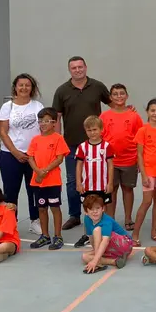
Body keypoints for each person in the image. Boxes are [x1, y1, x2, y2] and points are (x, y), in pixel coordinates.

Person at [52, 56, 111, 232]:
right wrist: (57, 139)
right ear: (69, 70)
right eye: (73, 68)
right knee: (73, 180)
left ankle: (97, 212)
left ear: (86, 67)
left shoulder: (98, 86)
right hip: (72, 144)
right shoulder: (62, 90)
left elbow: (113, 104)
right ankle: (74, 215)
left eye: (80, 67)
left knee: (97, 180)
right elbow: (57, 117)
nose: (77, 70)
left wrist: (127, 109)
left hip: (96, 144)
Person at [0, 73, 44, 235]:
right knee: (11, 191)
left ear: (32, 88)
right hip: (10, 155)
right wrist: (16, 152)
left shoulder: (37, 106)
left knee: (34, 190)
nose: (24, 88)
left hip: (33, 156)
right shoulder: (7, 107)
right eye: (21, 85)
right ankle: (11, 222)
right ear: (15, 87)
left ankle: (35, 220)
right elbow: (3, 132)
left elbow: (43, 130)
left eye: (27, 85)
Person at [100, 83, 143, 230]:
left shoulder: (134, 116)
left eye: (122, 93)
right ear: (111, 97)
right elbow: (99, 138)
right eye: (115, 94)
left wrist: (139, 160)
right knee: (111, 190)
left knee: (128, 189)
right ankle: (110, 219)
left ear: (127, 96)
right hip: (110, 161)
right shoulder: (104, 116)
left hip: (130, 160)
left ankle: (128, 219)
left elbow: (140, 139)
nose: (119, 96)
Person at [27, 107, 70, 250]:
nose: (43, 124)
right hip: (37, 181)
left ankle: (58, 236)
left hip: (52, 181)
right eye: (40, 121)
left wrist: (45, 171)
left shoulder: (58, 138)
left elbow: (59, 159)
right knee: (41, 208)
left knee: (55, 207)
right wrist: (38, 171)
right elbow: (30, 157)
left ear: (54, 123)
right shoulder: (35, 139)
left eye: (46, 121)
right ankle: (45, 236)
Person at [132, 99, 156, 245]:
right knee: (147, 201)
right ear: (148, 112)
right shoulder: (143, 130)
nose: (155, 113)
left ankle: (154, 231)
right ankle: (135, 233)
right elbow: (140, 155)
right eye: (152, 110)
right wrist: (143, 174)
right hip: (149, 171)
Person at [73, 116, 115, 248]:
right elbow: (79, 165)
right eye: (89, 130)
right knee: (88, 210)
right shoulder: (82, 147)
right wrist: (79, 183)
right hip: (87, 186)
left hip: (102, 185)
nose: (92, 132)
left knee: (104, 209)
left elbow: (110, 165)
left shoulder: (107, 146)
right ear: (85, 131)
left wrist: (110, 183)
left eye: (95, 129)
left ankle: (107, 233)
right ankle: (88, 234)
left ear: (101, 129)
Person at [81, 193, 133, 273]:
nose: (95, 211)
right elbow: (91, 237)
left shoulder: (106, 220)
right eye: (91, 209)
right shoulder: (87, 219)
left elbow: (105, 241)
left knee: (97, 230)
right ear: (86, 212)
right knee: (85, 257)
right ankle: (115, 261)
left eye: (97, 208)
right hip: (113, 248)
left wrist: (95, 260)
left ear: (102, 209)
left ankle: (97, 262)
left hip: (125, 243)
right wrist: (96, 252)